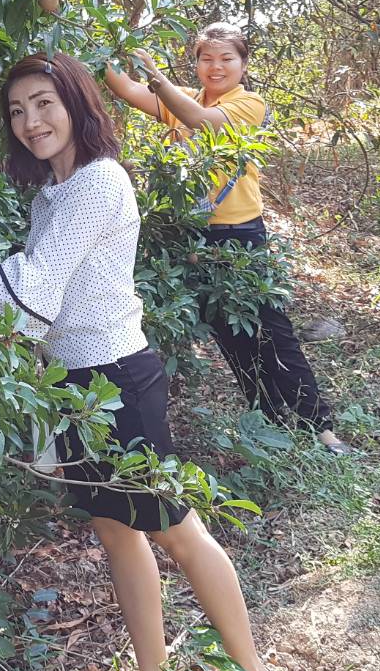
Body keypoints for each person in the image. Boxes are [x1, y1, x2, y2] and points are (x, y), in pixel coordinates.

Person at [0, 52, 283, 671]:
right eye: (16, 110)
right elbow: (37, 310)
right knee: (116, 532)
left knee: (175, 531)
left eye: (43, 104)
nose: (30, 121)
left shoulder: (98, 182)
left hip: (116, 382)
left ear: (75, 105)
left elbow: (35, 282)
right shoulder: (52, 195)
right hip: (75, 387)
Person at [103, 23, 349, 456]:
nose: (215, 67)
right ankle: (270, 422)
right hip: (195, 239)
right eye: (206, 58)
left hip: (240, 237)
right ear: (196, 63)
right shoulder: (182, 99)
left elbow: (200, 121)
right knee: (231, 337)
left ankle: (321, 426)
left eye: (226, 59)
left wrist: (156, 78)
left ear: (243, 64)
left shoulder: (248, 104)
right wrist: (104, 44)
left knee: (274, 334)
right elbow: (124, 88)